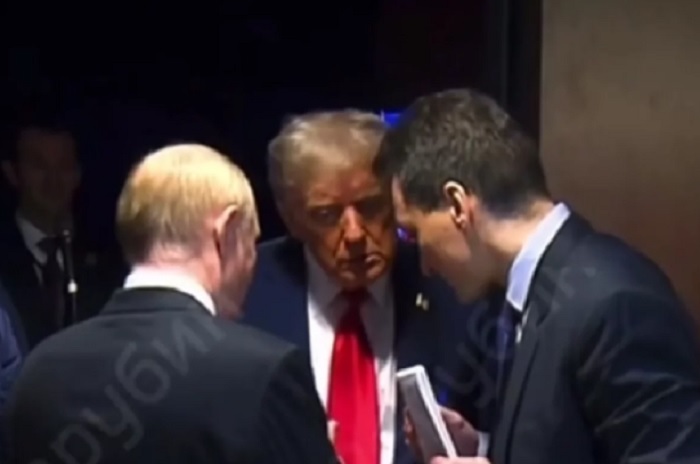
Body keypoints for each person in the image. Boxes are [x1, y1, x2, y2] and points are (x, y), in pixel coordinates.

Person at [374, 88, 700, 464]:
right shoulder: (521, 296)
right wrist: (480, 448)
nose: (425, 265)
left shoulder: (616, 304)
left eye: (413, 233)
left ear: (457, 205)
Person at [4, 144, 338, 464]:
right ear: (227, 231)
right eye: (252, 242)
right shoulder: (267, 374)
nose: (254, 263)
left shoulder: (38, 372)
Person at [242, 110, 500, 464]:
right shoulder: (247, 292)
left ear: (397, 200)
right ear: (291, 218)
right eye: (326, 215)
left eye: (370, 207)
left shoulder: (454, 286)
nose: (354, 234)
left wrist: (475, 448)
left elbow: (510, 438)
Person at [0, 111, 125, 349]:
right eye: (39, 166)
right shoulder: (4, 259)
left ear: (78, 173)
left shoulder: (107, 259)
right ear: (12, 172)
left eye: (64, 166)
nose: (54, 181)